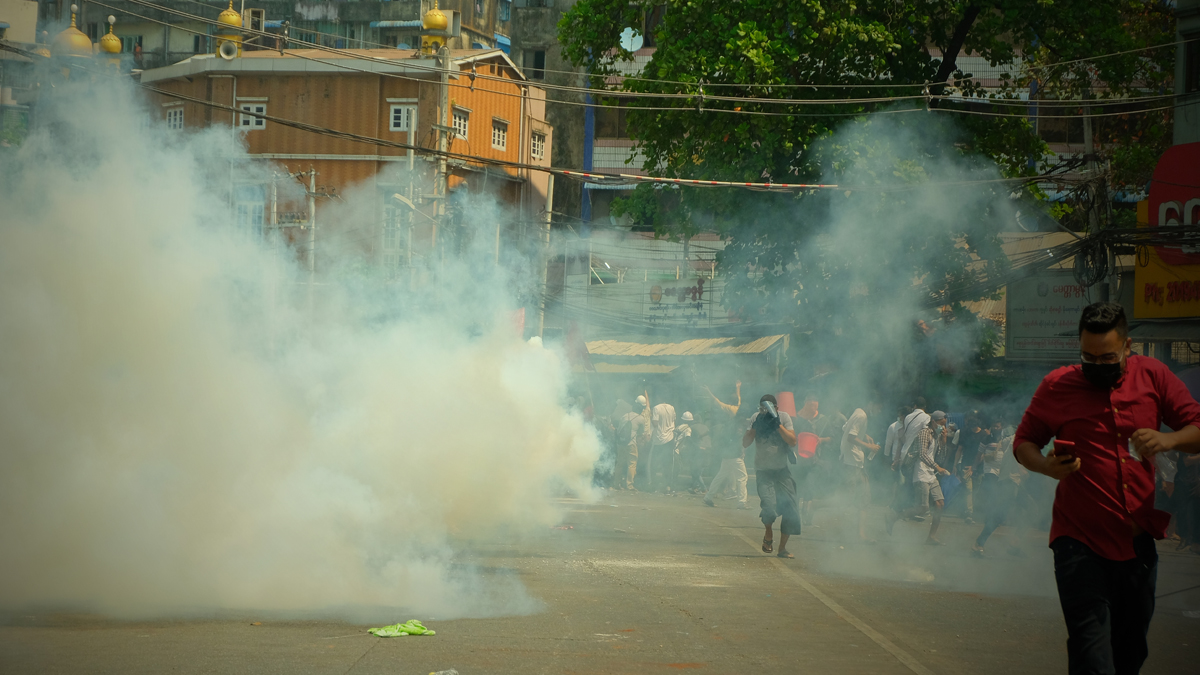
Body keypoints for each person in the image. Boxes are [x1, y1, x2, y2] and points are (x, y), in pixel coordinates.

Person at [1012, 302, 1200, 675]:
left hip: (1137, 543)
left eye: (1107, 357)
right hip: (1078, 542)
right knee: (1091, 653)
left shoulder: (1155, 376)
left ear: (1128, 346)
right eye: (1088, 357)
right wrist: (1047, 466)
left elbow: (1196, 431)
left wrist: (1168, 440)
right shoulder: (1057, 385)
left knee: (1130, 651)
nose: (1098, 365)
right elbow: (1024, 443)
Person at [743, 394, 800, 558]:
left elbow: (793, 441)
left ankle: (782, 549)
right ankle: (768, 533)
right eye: (762, 409)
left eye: (768, 408)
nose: (765, 411)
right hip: (763, 470)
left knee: (791, 508)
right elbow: (745, 443)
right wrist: (754, 427)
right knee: (768, 506)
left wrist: (778, 425)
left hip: (782, 470)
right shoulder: (756, 417)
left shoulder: (784, 417)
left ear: (776, 408)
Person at [886, 410, 952, 544]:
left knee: (940, 504)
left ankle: (931, 537)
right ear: (933, 421)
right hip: (920, 472)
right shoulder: (924, 433)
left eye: (944, 425)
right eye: (941, 424)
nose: (942, 427)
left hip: (930, 473)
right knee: (922, 508)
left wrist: (944, 441)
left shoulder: (935, 435)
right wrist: (937, 467)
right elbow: (922, 454)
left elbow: (940, 457)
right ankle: (894, 517)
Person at [840, 403, 881, 541]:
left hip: (854, 462)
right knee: (846, 499)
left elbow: (845, 427)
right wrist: (869, 446)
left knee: (864, 498)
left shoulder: (857, 411)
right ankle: (815, 505)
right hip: (853, 462)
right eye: (878, 407)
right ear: (872, 404)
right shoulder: (862, 415)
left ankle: (861, 534)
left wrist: (865, 435)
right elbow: (851, 437)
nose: (878, 410)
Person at [704, 383, 749, 508]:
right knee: (742, 476)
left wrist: (708, 391)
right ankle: (742, 502)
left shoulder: (732, 414)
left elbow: (717, 401)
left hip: (726, 454)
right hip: (734, 454)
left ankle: (708, 497)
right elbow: (737, 440)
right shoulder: (738, 421)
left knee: (721, 475)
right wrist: (741, 451)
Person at [611, 399, 645, 490]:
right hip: (631, 444)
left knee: (620, 464)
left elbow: (618, 430)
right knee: (632, 464)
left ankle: (616, 483)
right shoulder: (641, 419)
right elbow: (641, 433)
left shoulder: (625, 416)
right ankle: (629, 485)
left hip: (621, 443)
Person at [648, 399, 677, 493]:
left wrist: (650, 416)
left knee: (654, 464)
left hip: (659, 440)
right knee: (668, 464)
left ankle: (654, 486)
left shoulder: (656, 408)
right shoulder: (672, 408)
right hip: (669, 438)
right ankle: (668, 486)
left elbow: (655, 423)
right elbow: (673, 420)